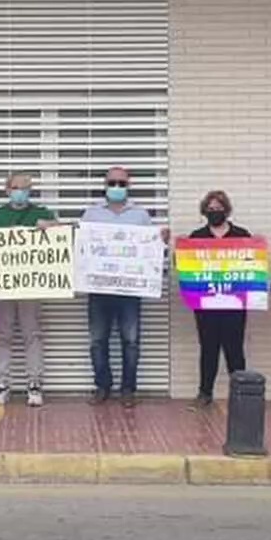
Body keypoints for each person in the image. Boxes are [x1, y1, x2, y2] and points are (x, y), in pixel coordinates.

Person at [80, 166, 169, 408]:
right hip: (99, 289)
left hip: (130, 290)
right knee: (98, 340)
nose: (117, 187)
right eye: (112, 183)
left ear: (128, 186)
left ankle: (128, 389)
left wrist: (162, 241)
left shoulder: (140, 215)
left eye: (121, 183)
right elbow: (82, 248)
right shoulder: (91, 214)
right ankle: (102, 386)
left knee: (131, 341)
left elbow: (150, 250)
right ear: (105, 185)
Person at [0, 172, 59, 407]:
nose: (21, 192)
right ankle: (1, 384)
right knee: (2, 335)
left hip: (30, 285)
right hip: (2, 286)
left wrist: (52, 227)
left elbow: (63, 235)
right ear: (7, 190)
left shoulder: (41, 213)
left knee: (32, 334)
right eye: (16, 187)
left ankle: (34, 384)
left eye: (26, 188)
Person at [188, 191, 252, 409]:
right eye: (211, 209)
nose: (215, 212)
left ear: (227, 209)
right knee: (208, 349)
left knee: (235, 350)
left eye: (219, 208)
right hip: (206, 306)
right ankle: (205, 392)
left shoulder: (241, 234)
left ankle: (241, 394)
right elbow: (188, 268)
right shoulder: (196, 237)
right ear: (205, 211)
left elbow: (251, 266)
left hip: (234, 305)